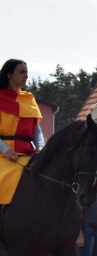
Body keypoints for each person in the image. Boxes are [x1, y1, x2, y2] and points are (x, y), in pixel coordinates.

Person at [0, 59, 45, 206]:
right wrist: (6, 151)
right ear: (9, 74)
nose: (26, 75)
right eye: (22, 72)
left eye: (27, 72)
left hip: (27, 153)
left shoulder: (29, 99)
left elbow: (37, 131)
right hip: (3, 155)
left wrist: (42, 150)